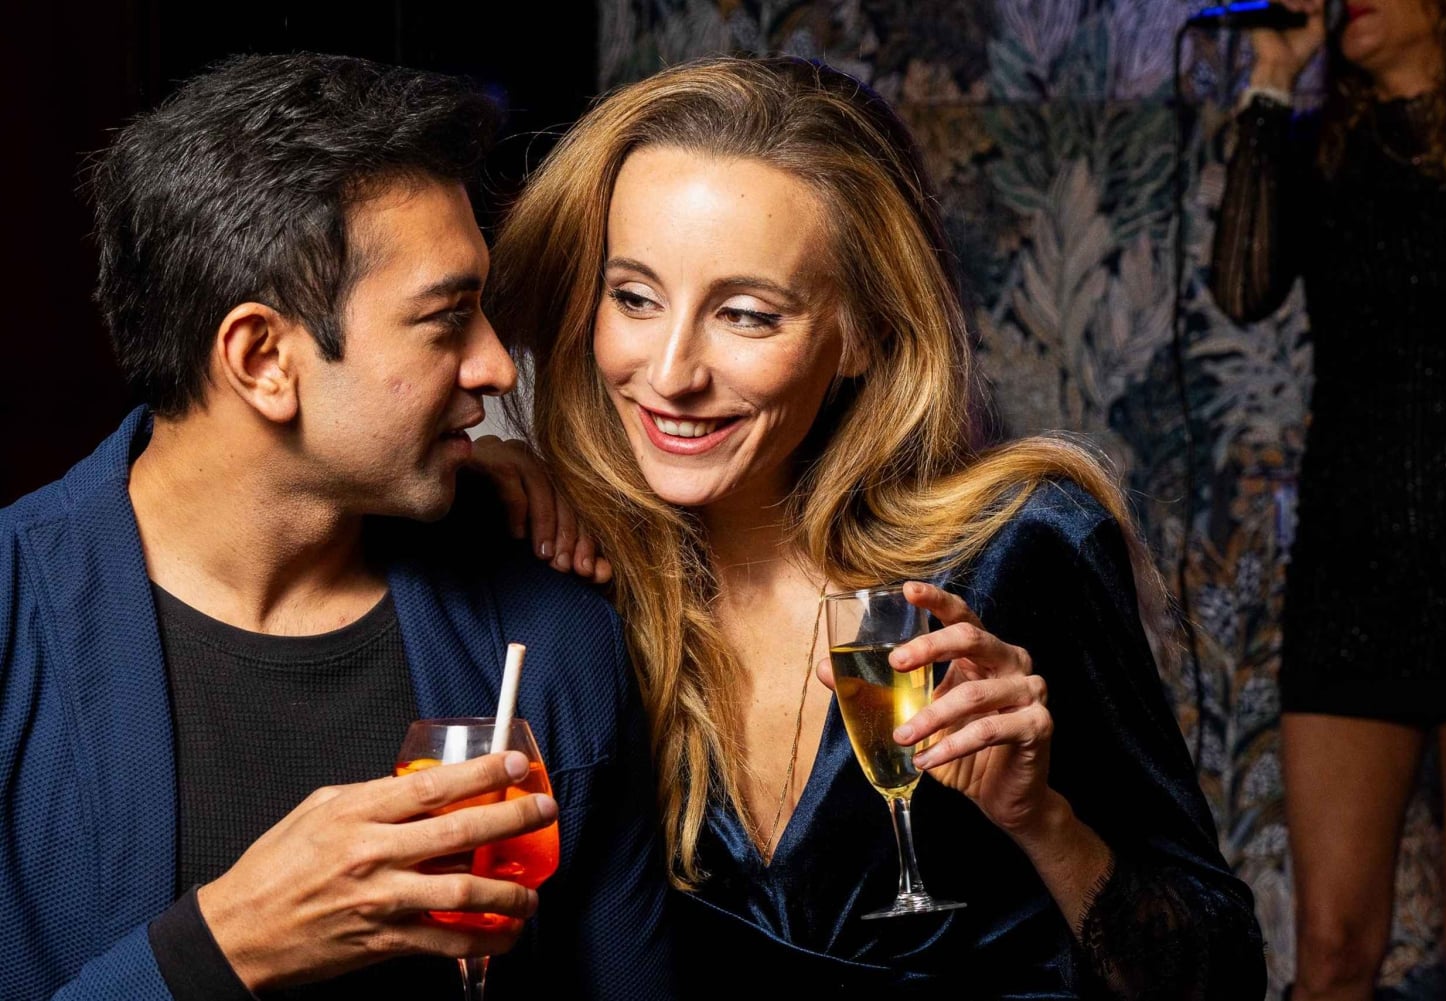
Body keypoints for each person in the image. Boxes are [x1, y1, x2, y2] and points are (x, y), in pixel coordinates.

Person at [481, 55, 1267, 998]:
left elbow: (1219, 978)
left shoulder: (1017, 549)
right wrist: (464, 476)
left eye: (746, 314)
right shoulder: (571, 572)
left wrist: (1042, 819)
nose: (672, 372)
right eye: (635, 297)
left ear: (860, 331)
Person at [0, 52, 672, 1000]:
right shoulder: (13, 617)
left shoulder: (548, 623)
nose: (496, 366)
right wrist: (220, 949)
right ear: (263, 359)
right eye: (447, 318)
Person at [1209, 1, 1446, 998]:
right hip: (1352, 580)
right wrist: (1272, 78)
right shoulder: (1322, 149)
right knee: (1330, 949)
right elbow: (1242, 285)